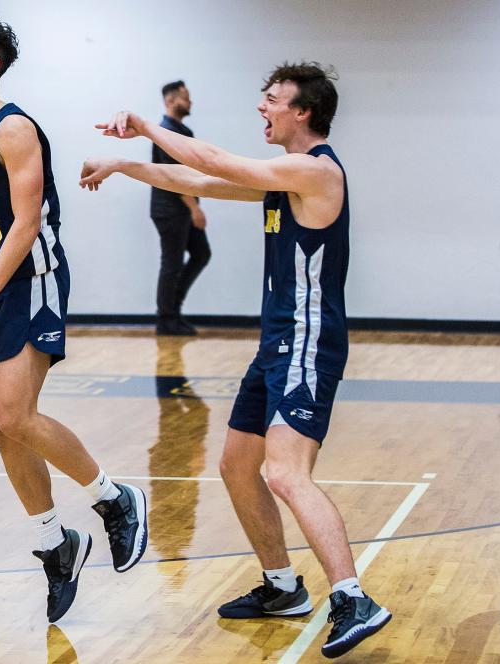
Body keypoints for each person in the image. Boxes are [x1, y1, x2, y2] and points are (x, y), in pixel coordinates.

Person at [80, 62, 391, 659]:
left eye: (272, 99)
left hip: (307, 341)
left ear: (302, 111)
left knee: (285, 472)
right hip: (275, 344)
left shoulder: (314, 170)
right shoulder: (282, 178)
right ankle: (282, 586)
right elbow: (198, 181)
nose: (262, 108)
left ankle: (353, 598)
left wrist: (148, 123)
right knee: (235, 464)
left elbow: (216, 161)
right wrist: (123, 164)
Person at [0, 9, 148, 623]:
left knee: (14, 413)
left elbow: (27, 223)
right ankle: (56, 541)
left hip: (34, 281)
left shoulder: (14, 128)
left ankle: (114, 499)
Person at [150, 81, 211, 336]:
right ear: (171, 100)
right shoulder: (167, 132)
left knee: (201, 253)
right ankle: (166, 319)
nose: (190, 102)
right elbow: (176, 178)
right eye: (186, 97)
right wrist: (194, 208)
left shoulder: (180, 130)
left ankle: (174, 308)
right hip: (170, 210)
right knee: (172, 264)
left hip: (183, 208)